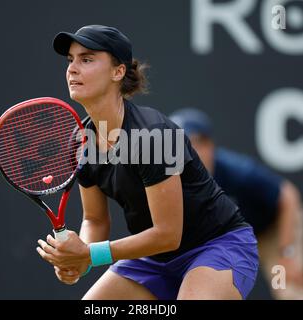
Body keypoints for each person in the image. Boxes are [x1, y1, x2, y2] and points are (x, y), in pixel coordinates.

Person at [36, 25, 258, 300]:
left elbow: (168, 235)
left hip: (215, 245)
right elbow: (94, 218)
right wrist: (80, 260)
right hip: (152, 259)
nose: (72, 69)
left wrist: (92, 254)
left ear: (118, 72)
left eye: (87, 59)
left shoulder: (154, 136)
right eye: (71, 60)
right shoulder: (81, 141)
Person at [169, 108, 303, 299]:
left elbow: (287, 196)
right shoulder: (172, 181)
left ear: (209, 146)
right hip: (234, 242)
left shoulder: (237, 171)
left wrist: (286, 253)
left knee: (286, 286)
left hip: (273, 231)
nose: (185, 154)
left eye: (192, 145)